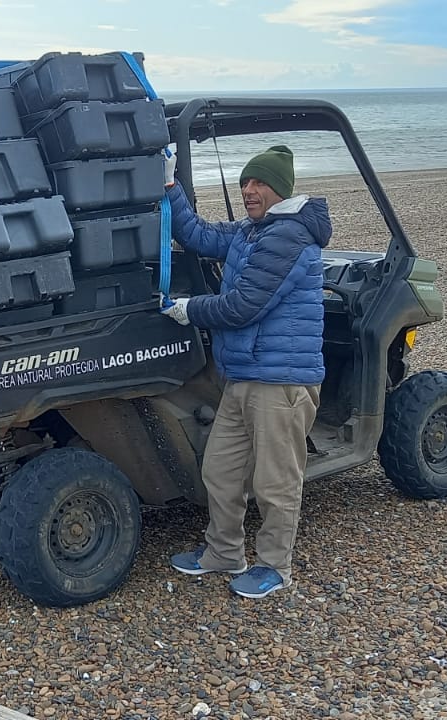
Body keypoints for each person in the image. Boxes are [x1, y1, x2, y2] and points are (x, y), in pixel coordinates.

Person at [158, 145, 331, 599]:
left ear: (281, 190)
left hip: (282, 382)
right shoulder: (252, 232)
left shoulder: (288, 237)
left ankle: (275, 565)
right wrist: (169, 185)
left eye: (259, 183)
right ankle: (224, 552)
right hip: (243, 376)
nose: (249, 191)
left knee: (275, 480)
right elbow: (195, 233)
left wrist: (187, 309)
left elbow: (243, 306)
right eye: (245, 183)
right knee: (220, 470)